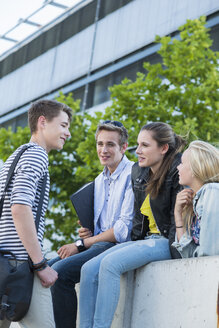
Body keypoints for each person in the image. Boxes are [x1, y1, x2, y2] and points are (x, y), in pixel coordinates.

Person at [79, 122, 185, 328]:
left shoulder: (176, 172)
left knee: (110, 265)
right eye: (137, 144)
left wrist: (175, 251)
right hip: (145, 241)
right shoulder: (139, 172)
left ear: (163, 149)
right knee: (88, 269)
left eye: (145, 145)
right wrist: (130, 246)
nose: (137, 151)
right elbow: (138, 222)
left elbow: (175, 223)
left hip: (167, 242)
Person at [49, 121, 135, 328]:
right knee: (45, 269)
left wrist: (81, 244)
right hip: (97, 243)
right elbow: (97, 229)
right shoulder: (98, 180)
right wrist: (86, 231)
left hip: (115, 246)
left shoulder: (133, 174)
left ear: (123, 147)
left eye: (110, 145)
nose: (103, 150)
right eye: (100, 144)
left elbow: (122, 231)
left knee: (59, 274)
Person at [0, 99, 72, 328]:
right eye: (63, 125)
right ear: (42, 122)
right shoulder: (36, 155)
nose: (67, 133)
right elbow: (20, 208)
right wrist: (40, 264)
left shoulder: (15, 156)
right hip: (19, 263)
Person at [172, 140, 219, 257]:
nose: (178, 167)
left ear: (195, 168)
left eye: (182, 163)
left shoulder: (212, 191)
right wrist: (178, 214)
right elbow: (187, 254)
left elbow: (209, 254)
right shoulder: (193, 204)